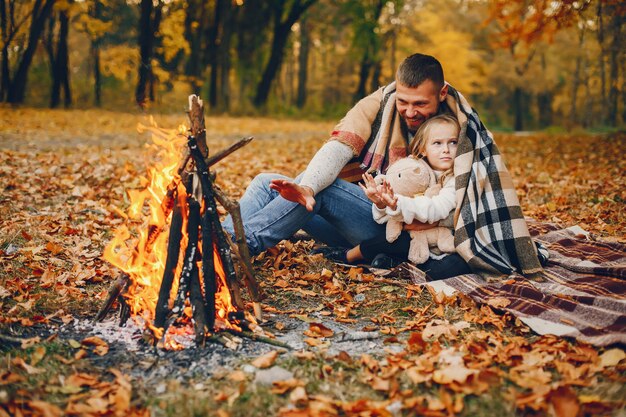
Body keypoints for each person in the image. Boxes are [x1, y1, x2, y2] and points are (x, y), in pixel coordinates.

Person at [223, 53, 543, 279]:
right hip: (372, 213)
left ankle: (238, 247)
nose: (409, 111)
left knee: (323, 189)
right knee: (268, 181)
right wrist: (306, 188)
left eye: (420, 104)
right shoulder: (381, 103)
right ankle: (216, 236)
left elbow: (470, 197)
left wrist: (417, 213)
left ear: (441, 93)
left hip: (396, 229)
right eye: (404, 101)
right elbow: (338, 148)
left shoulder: (459, 129)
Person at [318, 114, 472, 278]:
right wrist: (381, 203)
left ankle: (395, 262)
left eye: (453, 142)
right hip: (412, 237)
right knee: (391, 239)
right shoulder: (414, 171)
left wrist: (397, 203)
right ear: (422, 149)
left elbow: (437, 209)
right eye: (437, 143)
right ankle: (348, 256)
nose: (446, 149)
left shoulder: (456, 179)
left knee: (451, 268)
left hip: (442, 245)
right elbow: (386, 217)